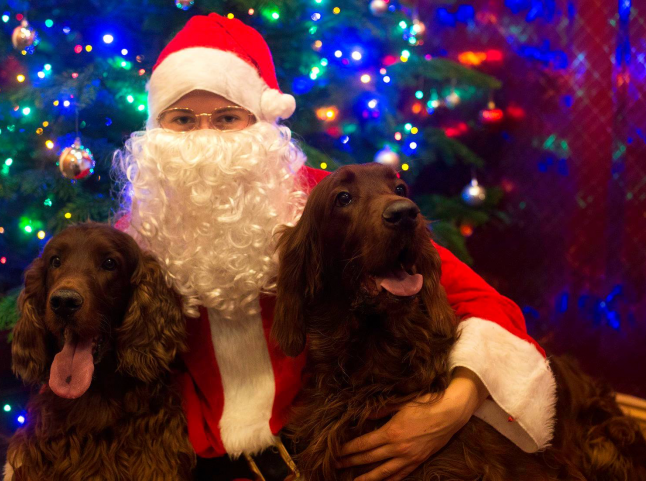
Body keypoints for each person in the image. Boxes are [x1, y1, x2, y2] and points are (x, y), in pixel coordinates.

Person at [114, 13, 556, 481]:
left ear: (261, 123)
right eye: (182, 120)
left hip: (323, 446)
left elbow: (485, 306)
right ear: (155, 130)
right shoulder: (137, 233)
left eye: (227, 118)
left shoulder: (329, 204)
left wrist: (450, 408)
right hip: (198, 460)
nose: (204, 138)